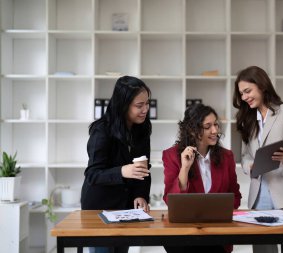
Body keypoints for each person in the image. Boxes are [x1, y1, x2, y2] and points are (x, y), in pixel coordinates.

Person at [232, 66, 283, 253]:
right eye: (241, 93)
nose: (244, 97)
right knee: (264, 250)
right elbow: (245, 156)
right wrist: (248, 166)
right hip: (260, 195)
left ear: (261, 86)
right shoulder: (247, 119)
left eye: (247, 91)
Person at [81, 76, 152, 253]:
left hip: (125, 209)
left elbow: (144, 170)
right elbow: (93, 174)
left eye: (147, 103)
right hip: (98, 209)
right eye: (139, 105)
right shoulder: (101, 131)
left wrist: (141, 195)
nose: (145, 110)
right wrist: (122, 171)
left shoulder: (142, 129)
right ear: (123, 105)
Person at [162, 103, 242, 253]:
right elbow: (170, 199)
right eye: (208, 126)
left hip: (217, 235)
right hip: (184, 235)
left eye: (216, 125)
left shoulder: (227, 156)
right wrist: (185, 168)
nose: (215, 131)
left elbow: (235, 196)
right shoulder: (172, 156)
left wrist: (220, 214)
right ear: (193, 130)